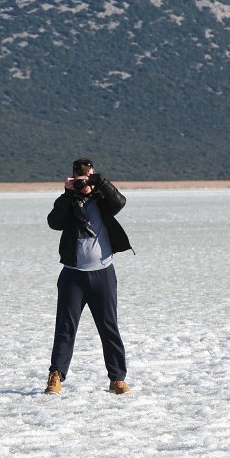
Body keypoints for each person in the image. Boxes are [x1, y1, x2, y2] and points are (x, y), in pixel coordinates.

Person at [45, 157, 134, 395]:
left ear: (92, 174)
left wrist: (100, 183)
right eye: (79, 178)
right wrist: (68, 195)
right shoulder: (69, 200)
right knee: (65, 327)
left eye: (87, 177)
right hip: (73, 276)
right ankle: (56, 375)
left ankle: (117, 379)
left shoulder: (103, 199)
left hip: (103, 274)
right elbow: (54, 222)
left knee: (109, 327)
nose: (83, 182)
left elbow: (120, 202)